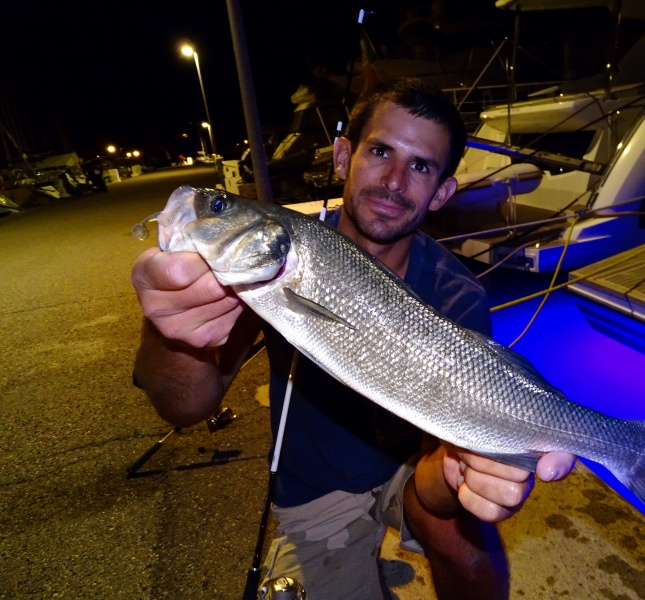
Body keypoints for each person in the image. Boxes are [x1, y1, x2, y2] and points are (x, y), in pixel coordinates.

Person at [131, 77, 576, 600]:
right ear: (343, 157)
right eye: (380, 150)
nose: (393, 180)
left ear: (442, 193)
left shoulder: (457, 293)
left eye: (421, 166)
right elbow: (184, 408)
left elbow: (435, 475)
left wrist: (458, 471)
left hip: (408, 470)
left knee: (471, 552)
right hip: (314, 487)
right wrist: (173, 333)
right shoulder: (277, 260)